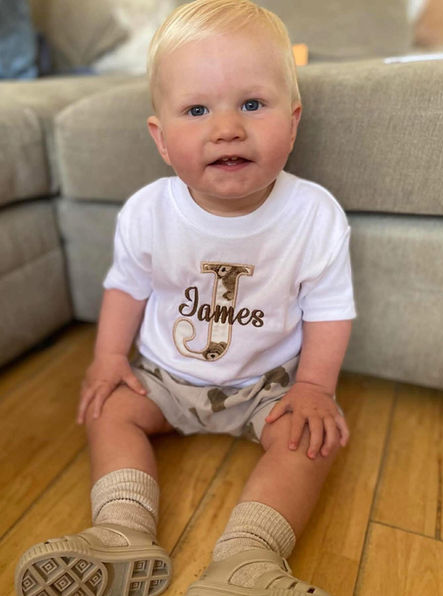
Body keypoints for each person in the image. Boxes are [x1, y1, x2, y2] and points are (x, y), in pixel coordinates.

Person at [15, 1, 356, 594]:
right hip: (165, 378)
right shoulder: (149, 211)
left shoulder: (313, 215)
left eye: (252, 104)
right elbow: (127, 286)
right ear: (162, 139)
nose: (227, 128)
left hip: (267, 386)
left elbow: (328, 308)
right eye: (197, 110)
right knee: (109, 410)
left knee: (311, 440)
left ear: (293, 121)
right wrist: (108, 359)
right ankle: (120, 531)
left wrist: (314, 388)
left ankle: (247, 561)